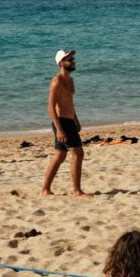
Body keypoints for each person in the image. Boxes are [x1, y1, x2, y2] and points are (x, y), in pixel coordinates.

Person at [41, 50, 92, 198]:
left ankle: (45, 189)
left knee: (60, 155)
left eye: (73, 58)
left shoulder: (70, 80)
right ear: (61, 63)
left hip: (69, 121)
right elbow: (50, 106)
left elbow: (69, 102)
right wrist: (59, 129)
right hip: (61, 122)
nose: (74, 61)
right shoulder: (57, 81)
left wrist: (76, 119)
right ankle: (77, 191)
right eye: (70, 59)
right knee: (78, 153)